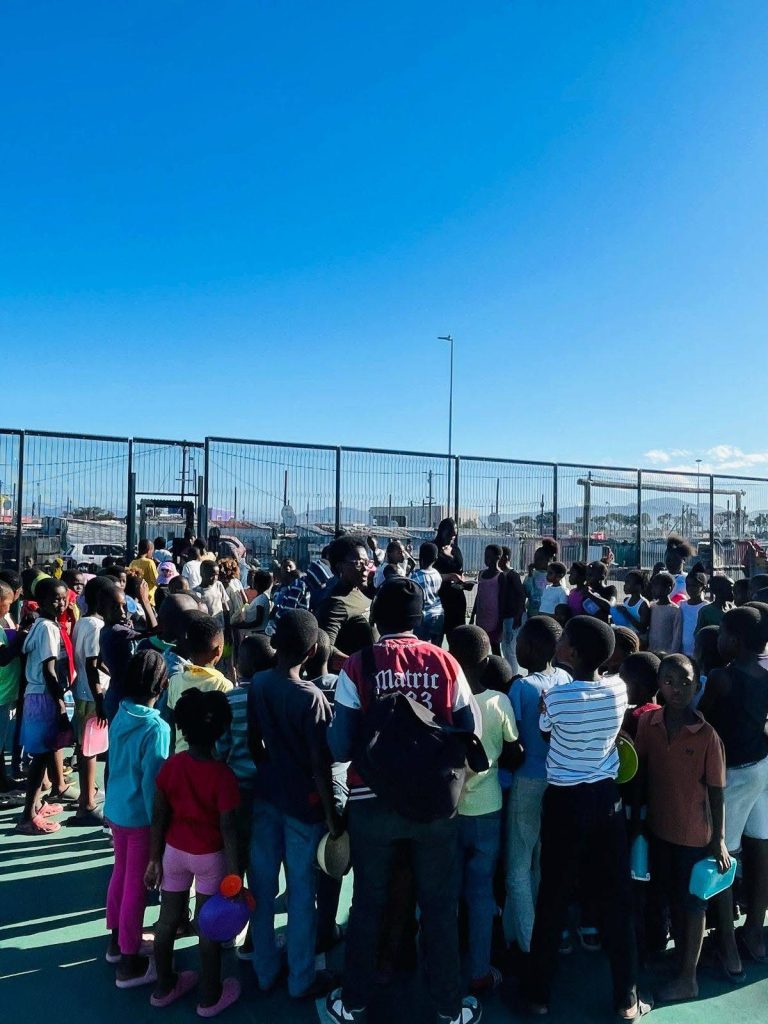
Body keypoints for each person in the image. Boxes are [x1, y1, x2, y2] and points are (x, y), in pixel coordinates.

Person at [325, 577, 482, 1024]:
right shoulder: (445, 662)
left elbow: (340, 747)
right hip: (435, 804)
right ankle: (450, 1007)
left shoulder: (358, 666)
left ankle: (353, 1002)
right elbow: (471, 731)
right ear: (420, 620)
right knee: (439, 907)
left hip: (371, 802)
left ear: (376, 616)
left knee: (367, 905)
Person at [522, 616, 649, 1019]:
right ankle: (627, 998)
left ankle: (538, 996)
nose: (558, 644)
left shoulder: (556, 697)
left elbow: (546, 733)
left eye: (564, 640)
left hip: (565, 802)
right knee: (616, 899)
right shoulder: (619, 688)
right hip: (606, 801)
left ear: (573, 654)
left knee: (553, 897)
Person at [633, 654, 742, 998]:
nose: (676, 689)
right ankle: (680, 962)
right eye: (669, 681)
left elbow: (716, 792)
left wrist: (719, 839)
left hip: (694, 835)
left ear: (697, 686)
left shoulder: (707, 736)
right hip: (658, 830)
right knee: (668, 898)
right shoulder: (648, 724)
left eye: (685, 682)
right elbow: (640, 771)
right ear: (659, 684)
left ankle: (688, 980)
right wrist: (638, 821)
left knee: (693, 904)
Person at [247, 610, 340, 999]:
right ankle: (301, 977)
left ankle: (264, 968)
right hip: (304, 805)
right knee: (302, 892)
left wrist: (273, 773)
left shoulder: (259, 683)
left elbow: (255, 744)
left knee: (262, 886)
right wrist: (332, 818)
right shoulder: (311, 698)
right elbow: (321, 765)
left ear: (275, 644)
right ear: (313, 651)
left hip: (266, 796)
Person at [144, 688, 241, 1015]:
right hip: (210, 857)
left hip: (173, 852)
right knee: (207, 925)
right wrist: (235, 874)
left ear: (183, 727)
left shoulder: (172, 766)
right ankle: (210, 996)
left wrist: (154, 857)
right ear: (220, 729)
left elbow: (159, 815)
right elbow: (228, 828)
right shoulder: (223, 776)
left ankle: (163, 986)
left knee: (167, 920)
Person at [699, 605, 768, 963]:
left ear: (735, 640)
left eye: (723, 633)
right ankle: (755, 933)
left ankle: (728, 948)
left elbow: (702, 719)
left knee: (725, 852)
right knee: (761, 846)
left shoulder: (721, 677)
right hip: (763, 765)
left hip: (734, 774)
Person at [452, 627, 519, 992]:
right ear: (487, 659)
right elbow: (513, 746)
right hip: (488, 809)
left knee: (445, 892)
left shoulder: (443, 700)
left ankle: (441, 966)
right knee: (481, 894)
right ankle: (479, 970)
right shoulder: (499, 701)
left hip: (450, 812)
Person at [504, 616, 571, 953]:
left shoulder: (521, 688)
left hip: (527, 781)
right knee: (539, 862)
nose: (516, 648)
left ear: (531, 647)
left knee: (517, 865)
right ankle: (529, 932)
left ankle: (531, 946)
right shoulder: (565, 678)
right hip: (556, 780)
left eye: (519, 643)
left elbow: (512, 741)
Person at [104, 650, 170, 988]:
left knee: (120, 875)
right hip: (141, 819)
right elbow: (153, 788)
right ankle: (130, 964)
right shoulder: (156, 728)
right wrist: (159, 833)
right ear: (163, 685)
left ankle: (117, 943)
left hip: (116, 811)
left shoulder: (120, 713)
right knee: (137, 887)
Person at [216, 634, 275, 961]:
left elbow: (221, 748)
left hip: (235, 792)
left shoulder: (230, 701)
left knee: (234, 861)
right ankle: (255, 936)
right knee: (261, 867)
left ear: (239, 665)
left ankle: (229, 928)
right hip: (267, 793)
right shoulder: (273, 696)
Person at [16, 577, 72, 835]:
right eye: (55, 599)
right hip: (44, 697)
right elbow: (49, 671)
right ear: (41, 601)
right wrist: (60, 703)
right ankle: (27, 816)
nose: (61, 604)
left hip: (34, 695)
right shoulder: (49, 628)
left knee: (45, 751)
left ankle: (37, 804)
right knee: (40, 758)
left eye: (63, 599)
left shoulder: (39, 624)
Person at [69, 575, 113, 826]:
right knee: (91, 750)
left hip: (83, 691)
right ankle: (86, 804)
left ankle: (86, 797)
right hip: (94, 695)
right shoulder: (96, 627)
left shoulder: (83, 622)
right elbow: (93, 664)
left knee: (86, 748)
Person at [167, 613, 233, 754]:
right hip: (211, 759)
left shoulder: (174, 681)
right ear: (218, 650)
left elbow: (172, 723)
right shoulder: (224, 685)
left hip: (181, 757)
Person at [316, 536, 374, 666]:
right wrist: (356, 665)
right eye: (358, 563)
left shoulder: (361, 592)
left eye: (367, 562)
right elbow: (324, 648)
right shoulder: (335, 604)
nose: (365, 568)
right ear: (340, 567)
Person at [434, 517, 470, 637]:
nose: (452, 537)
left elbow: (460, 571)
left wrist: (463, 582)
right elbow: (428, 574)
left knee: (457, 637)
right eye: (450, 534)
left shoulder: (456, 550)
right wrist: (450, 577)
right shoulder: (433, 549)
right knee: (437, 637)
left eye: (454, 535)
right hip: (440, 599)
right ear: (442, 532)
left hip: (457, 599)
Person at [470, 545, 505, 655]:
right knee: (480, 646)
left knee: (495, 647)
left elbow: (502, 601)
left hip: (494, 619)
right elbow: (478, 595)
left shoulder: (501, 576)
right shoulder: (481, 573)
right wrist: (473, 615)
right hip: (481, 616)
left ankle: (497, 665)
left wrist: (500, 623)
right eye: (485, 556)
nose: (486, 559)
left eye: (489, 557)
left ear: (498, 558)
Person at [618, 652, 661, 739]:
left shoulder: (630, 719)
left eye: (623, 680)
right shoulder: (666, 716)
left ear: (639, 686)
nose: (620, 685)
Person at [410, 542, 445, 645]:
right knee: (437, 645)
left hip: (424, 617)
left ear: (420, 558)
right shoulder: (437, 574)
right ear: (436, 558)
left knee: (422, 645)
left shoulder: (415, 576)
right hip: (438, 614)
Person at [500, 552, 526, 676]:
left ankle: (513, 676)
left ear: (506, 558)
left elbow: (521, 595)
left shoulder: (512, 575)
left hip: (514, 616)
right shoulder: (501, 575)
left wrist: (518, 615)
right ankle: (510, 675)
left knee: (510, 649)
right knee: (506, 648)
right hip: (507, 617)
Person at [647, 571, 682, 654]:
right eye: (653, 587)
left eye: (656, 587)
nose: (653, 590)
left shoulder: (675, 610)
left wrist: (672, 654)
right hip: (651, 651)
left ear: (668, 589)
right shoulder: (652, 606)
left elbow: (677, 635)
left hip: (666, 654)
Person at [610, 570, 650, 641]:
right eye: (625, 582)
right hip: (625, 637)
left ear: (638, 586)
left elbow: (643, 629)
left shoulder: (643, 604)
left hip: (636, 640)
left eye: (628, 583)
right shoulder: (626, 600)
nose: (624, 585)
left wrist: (626, 613)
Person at [524, 539, 559, 618]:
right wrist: (530, 575)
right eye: (535, 559)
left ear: (550, 559)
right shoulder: (532, 574)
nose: (537, 562)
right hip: (533, 612)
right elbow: (527, 591)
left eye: (540, 559)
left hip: (548, 614)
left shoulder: (554, 575)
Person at [680, 568, 708, 657]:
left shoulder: (706, 607)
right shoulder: (682, 605)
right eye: (688, 585)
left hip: (699, 653)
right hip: (683, 652)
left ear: (703, 587)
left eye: (694, 586)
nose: (690, 589)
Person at [237, 569, 273, 634]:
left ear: (257, 583)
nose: (252, 581)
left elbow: (258, 621)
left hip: (258, 633)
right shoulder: (261, 597)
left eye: (254, 580)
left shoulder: (261, 599)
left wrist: (242, 626)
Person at [665, 536, 693, 605]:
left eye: (675, 559)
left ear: (683, 559)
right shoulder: (661, 577)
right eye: (668, 559)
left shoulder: (689, 578)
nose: (671, 563)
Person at [130, 539, 159, 603]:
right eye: (152, 551)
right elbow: (156, 580)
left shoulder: (133, 562)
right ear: (149, 550)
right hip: (148, 598)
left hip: (137, 597)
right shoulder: (149, 562)